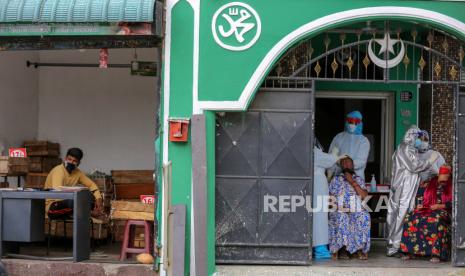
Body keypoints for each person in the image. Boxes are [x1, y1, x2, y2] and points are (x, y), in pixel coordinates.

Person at [386, 126, 439, 257]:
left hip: (406, 186)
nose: (420, 140)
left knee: (403, 215)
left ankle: (400, 245)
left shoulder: (410, 149)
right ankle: (394, 247)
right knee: (400, 215)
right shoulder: (405, 147)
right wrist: (429, 161)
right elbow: (414, 166)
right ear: (412, 136)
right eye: (418, 137)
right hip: (404, 187)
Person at [400, 165, 452, 263]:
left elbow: (456, 202)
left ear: (449, 175)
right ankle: (410, 251)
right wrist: (420, 205)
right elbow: (421, 196)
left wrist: (440, 206)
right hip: (429, 208)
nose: (443, 177)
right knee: (410, 217)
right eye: (441, 174)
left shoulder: (453, 185)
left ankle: (435, 253)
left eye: (445, 175)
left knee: (435, 219)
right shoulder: (432, 182)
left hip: (444, 210)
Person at [329, 157, 370, 260]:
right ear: (341, 167)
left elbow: (365, 197)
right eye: (343, 163)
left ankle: (359, 249)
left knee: (363, 216)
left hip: (355, 209)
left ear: (353, 165)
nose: (346, 164)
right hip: (339, 209)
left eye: (348, 163)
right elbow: (330, 200)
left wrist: (351, 181)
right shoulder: (336, 179)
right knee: (342, 217)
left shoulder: (359, 179)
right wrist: (340, 207)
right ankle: (343, 250)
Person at [45, 148, 103, 219]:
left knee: (90, 197)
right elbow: (58, 196)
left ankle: (89, 212)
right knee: (72, 203)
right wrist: (89, 212)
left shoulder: (77, 172)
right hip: (53, 208)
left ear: (78, 163)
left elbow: (91, 185)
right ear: (65, 158)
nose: (71, 162)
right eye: (69, 159)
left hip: (70, 206)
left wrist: (98, 199)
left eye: (74, 161)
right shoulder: (58, 171)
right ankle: (90, 213)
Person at [312, 139, 345, 259]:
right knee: (319, 217)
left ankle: (318, 247)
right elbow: (328, 161)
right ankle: (320, 248)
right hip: (318, 187)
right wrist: (337, 156)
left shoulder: (314, 152)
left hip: (319, 186)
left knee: (319, 215)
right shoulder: (314, 152)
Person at [328, 111, 370, 181]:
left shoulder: (364, 141)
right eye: (350, 121)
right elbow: (331, 155)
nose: (352, 124)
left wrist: (342, 164)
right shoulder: (339, 137)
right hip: (339, 178)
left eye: (355, 122)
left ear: (360, 123)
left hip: (356, 179)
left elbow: (361, 161)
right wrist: (330, 174)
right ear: (346, 122)